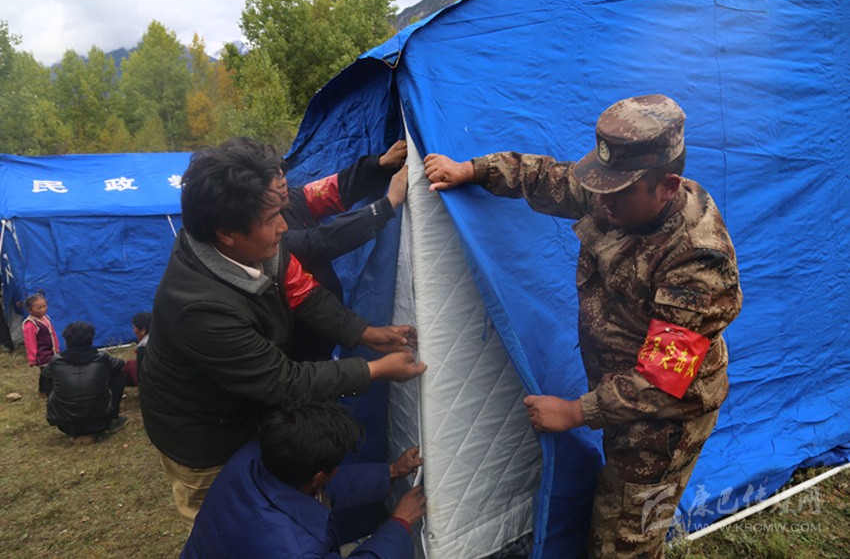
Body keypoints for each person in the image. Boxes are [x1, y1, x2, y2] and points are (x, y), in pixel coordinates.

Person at [424, 94, 742, 558]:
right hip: (621, 392)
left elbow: (662, 381)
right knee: (615, 510)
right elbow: (549, 178)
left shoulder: (697, 261)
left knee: (626, 543)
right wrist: (472, 170)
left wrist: (576, 413)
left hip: (664, 425)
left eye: (617, 191)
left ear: (667, 186)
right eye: (601, 185)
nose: (601, 201)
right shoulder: (620, 193)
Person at [139, 138, 426, 526]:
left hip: (243, 412)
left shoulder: (249, 248)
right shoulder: (201, 308)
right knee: (225, 528)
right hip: (205, 436)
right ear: (226, 232)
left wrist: (365, 333)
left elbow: (304, 293)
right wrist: (375, 369)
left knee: (267, 506)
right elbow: (282, 381)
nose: (284, 226)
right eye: (272, 218)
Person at [226, 137, 409, 362]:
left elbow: (337, 188)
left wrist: (379, 164)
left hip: (325, 326)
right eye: (270, 179)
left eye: (279, 172)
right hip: (299, 345)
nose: (281, 181)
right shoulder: (262, 240)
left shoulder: (290, 199)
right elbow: (319, 241)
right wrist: (387, 205)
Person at [182, 399, 426, 558]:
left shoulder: (252, 457)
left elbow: (323, 488)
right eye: (335, 467)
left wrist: (391, 471)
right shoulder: (298, 550)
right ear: (318, 476)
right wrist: (400, 523)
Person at [42, 321, 127, 445]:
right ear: (91, 340)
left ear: (66, 341)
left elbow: (45, 375)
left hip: (65, 424)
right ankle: (114, 416)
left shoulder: (56, 361)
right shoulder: (102, 358)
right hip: (101, 420)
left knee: (47, 377)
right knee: (118, 373)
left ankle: (63, 414)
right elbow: (121, 364)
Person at [22, 291, 60, 397]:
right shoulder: (30, 324)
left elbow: (53, 334)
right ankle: (49, 393)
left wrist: (56, 347)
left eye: (44, 306)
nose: (43, 309)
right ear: (30, 309)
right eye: (39, 308)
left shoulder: (46, 318)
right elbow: (30, 342)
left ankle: (42, 390)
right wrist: (32, 358)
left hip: (51, 351)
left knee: (46, 372)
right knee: (47, 372)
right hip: (42, 353)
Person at [121, 311, 151, 387]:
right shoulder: (161, 338)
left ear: (143, 330)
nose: (133, 331)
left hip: (153, 384)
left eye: (134, 328)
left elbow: (141, 375)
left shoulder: (143, 346)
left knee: (128, 365)